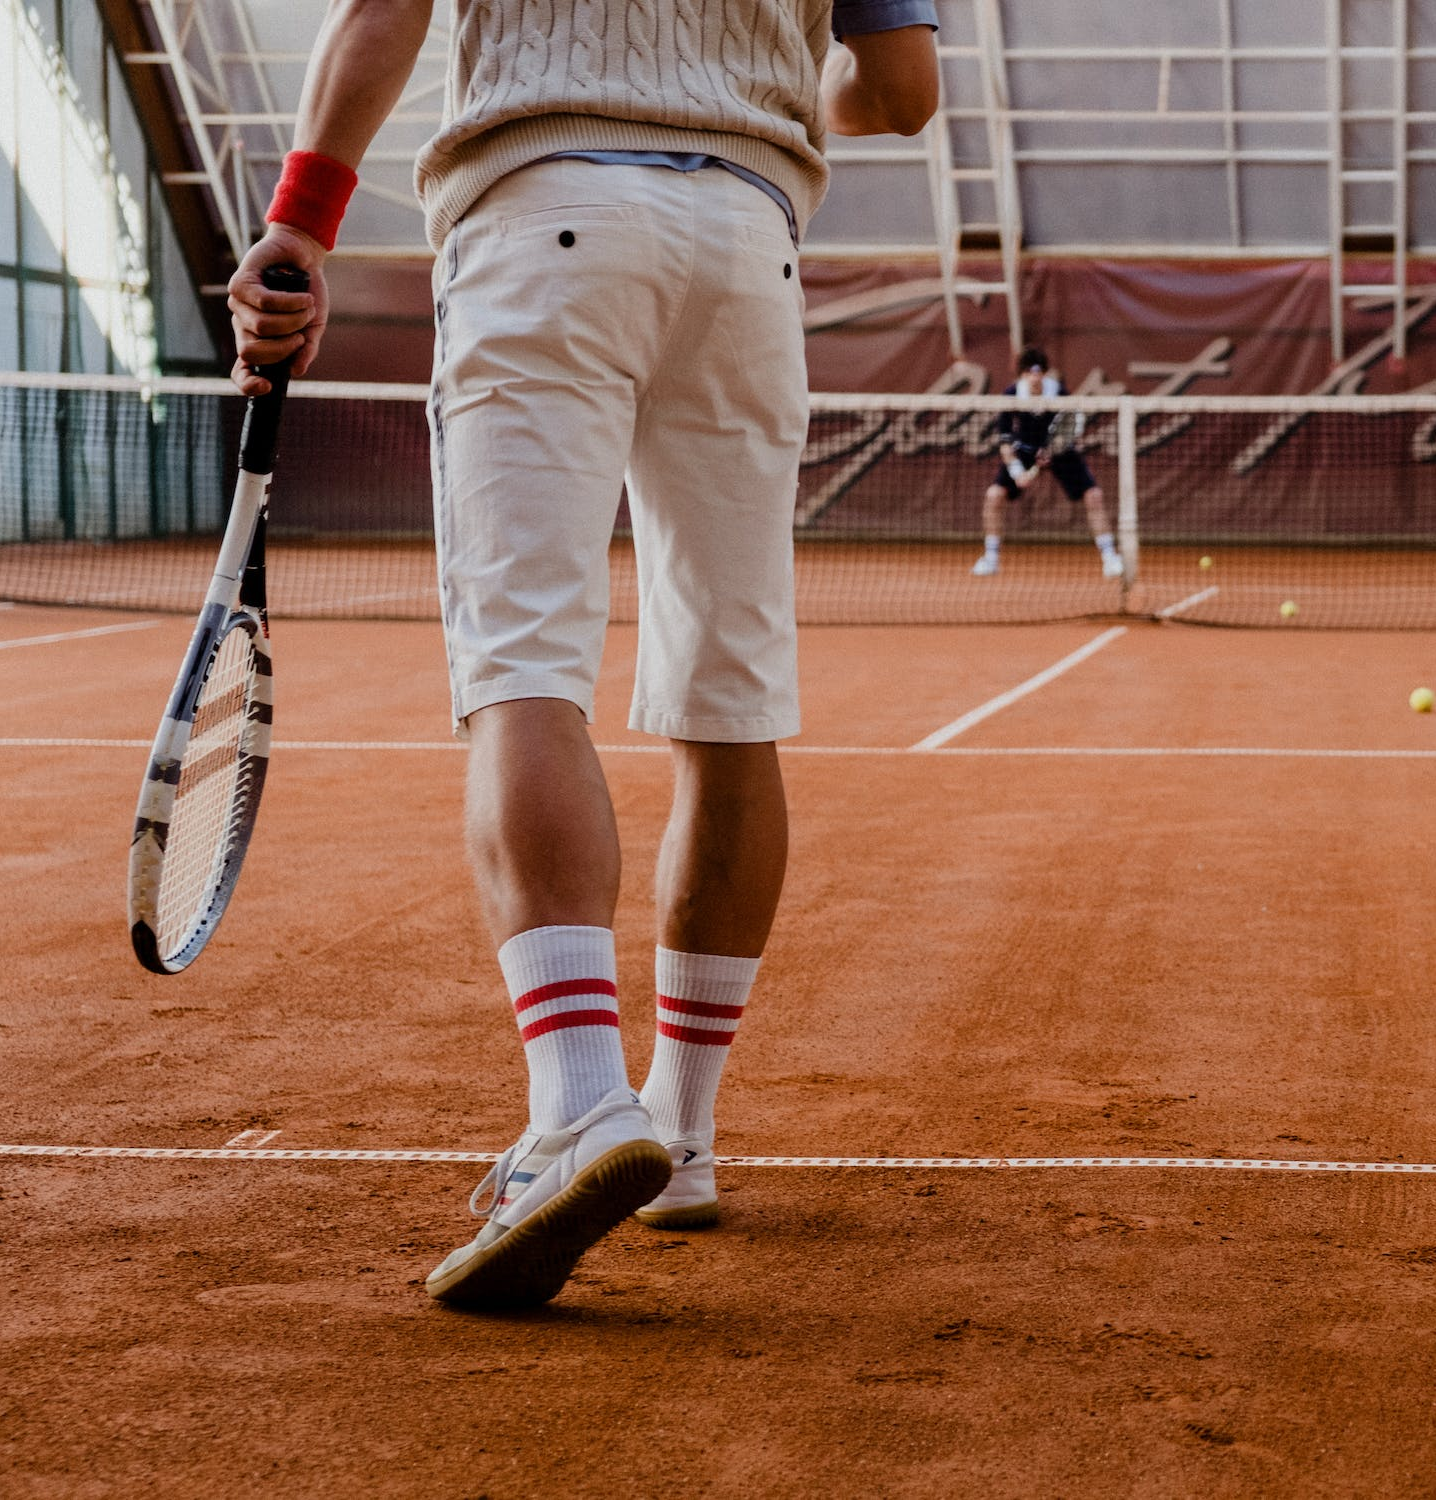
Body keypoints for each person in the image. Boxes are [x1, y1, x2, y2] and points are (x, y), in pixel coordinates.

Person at [225, 0, 938, 1310]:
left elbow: (387, 6)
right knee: (729, 709)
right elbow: (899, 90)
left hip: (541, 219)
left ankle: (577, 1107)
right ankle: (683, 1132)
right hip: (746, 248)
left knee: (523, 674)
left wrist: (300, 223)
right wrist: (772, 80)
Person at [972, 348, 1122, 579]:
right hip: (1023, 452)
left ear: (1044, 373)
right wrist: (1016, 470)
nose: (1035, 377)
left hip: (1058, 451)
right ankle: (990, 559)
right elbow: (1004, 442)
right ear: (1022, 375)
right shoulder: (1011, 395)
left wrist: (1054, 450)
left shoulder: (1059, 393)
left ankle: (1110, 557)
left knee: (1094, 496)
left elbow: (1071, 426)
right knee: (994, 496)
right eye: (1029, 372)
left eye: (1039, 372)